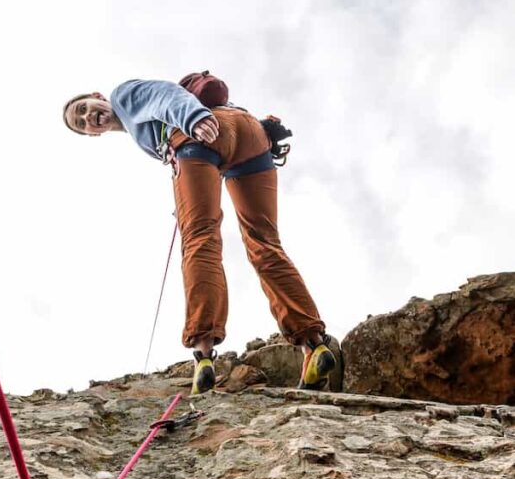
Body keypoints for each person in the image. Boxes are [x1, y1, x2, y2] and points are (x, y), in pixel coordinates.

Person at [63, 78, 337, 395]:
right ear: (91, 135)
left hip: (200, 135)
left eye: (84, 108)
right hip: (250, 135)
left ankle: (203, 353)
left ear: (98, 96)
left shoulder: (122, 95)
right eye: (81, 124)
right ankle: (314, 346)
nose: (87, 118)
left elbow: (164, 94)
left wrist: (193, 118)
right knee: (265, 244)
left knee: (200, 239)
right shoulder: (138, 127)